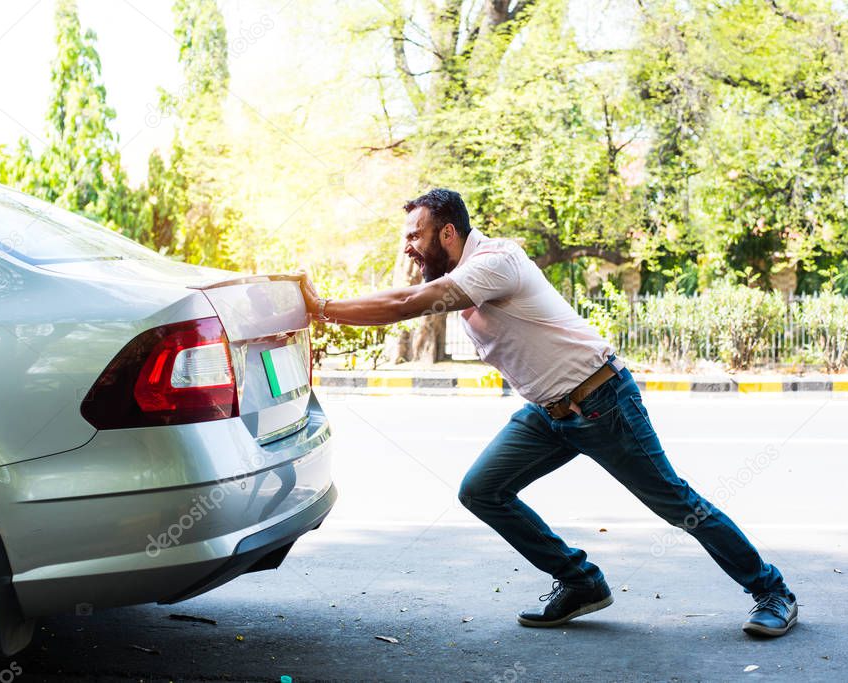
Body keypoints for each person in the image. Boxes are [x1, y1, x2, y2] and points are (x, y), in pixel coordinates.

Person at [299, 188, 797, 637]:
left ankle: (773, 592)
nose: (408, 247)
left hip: (603, 404)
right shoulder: (463, 271)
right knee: (481, 491)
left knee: (676, 503)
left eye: (415, 235)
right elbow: (403, 295)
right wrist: (317, 313)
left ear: (447, 233)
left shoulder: (497, 261)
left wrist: (323, 307)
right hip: (548, 413)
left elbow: (410, 301)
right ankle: (580, 582)